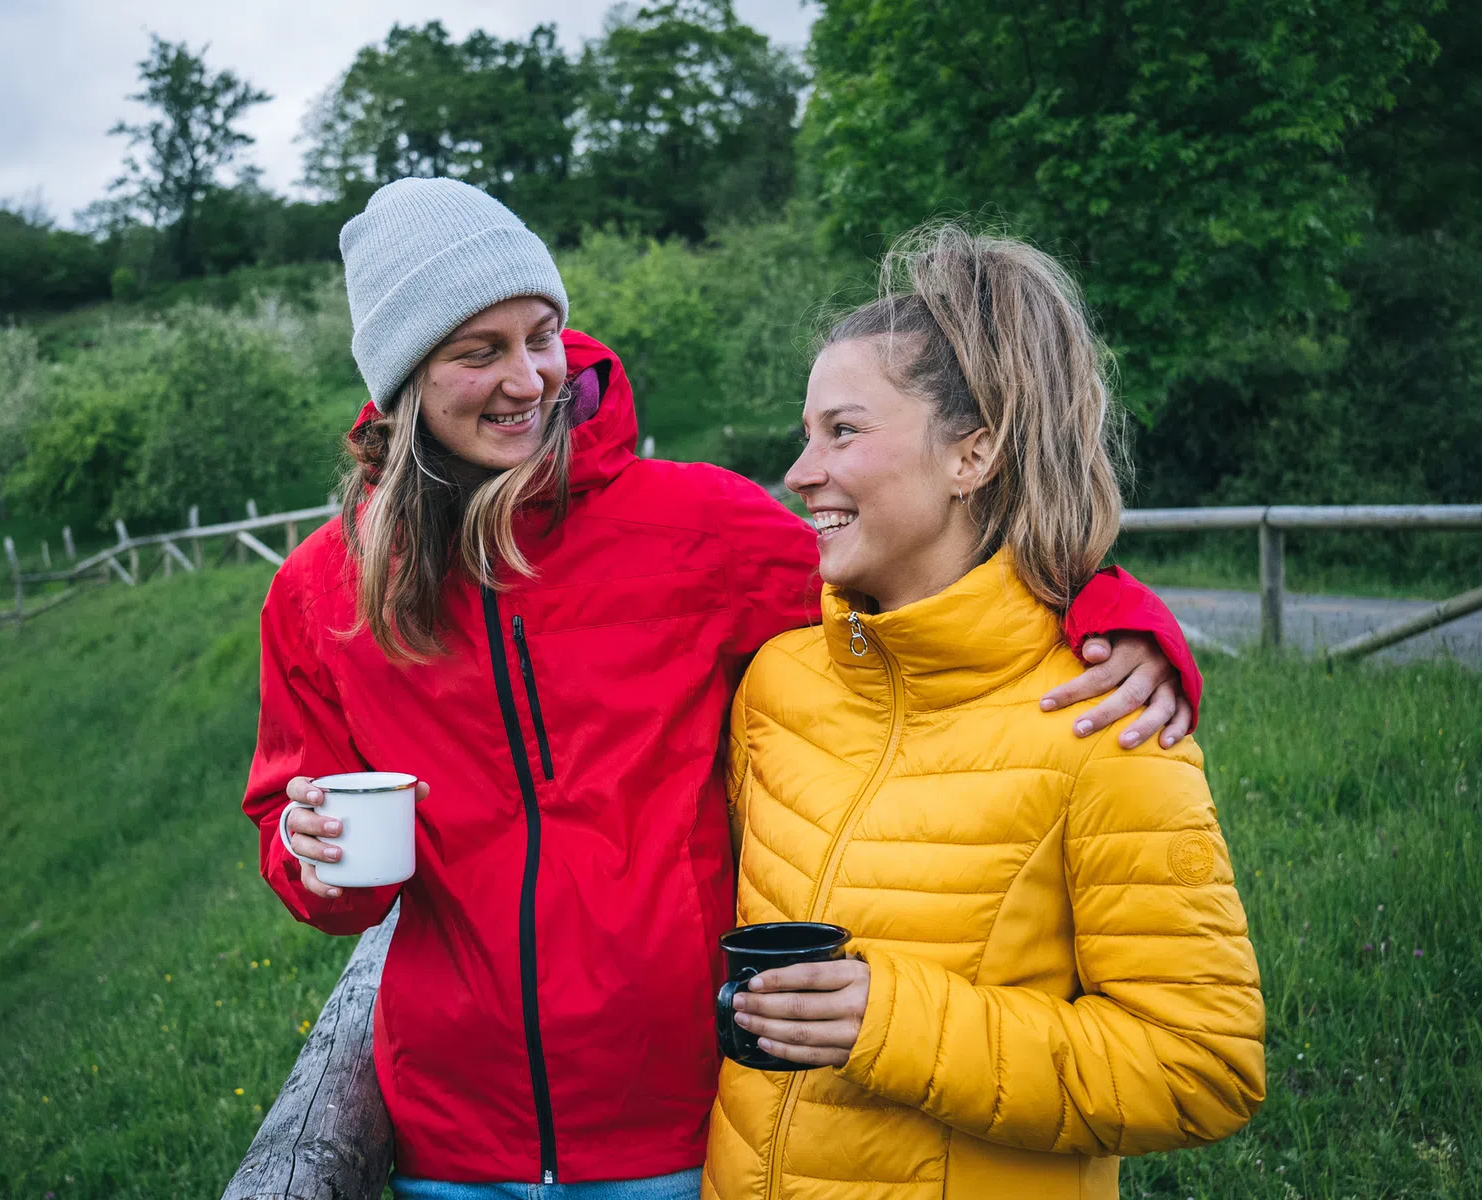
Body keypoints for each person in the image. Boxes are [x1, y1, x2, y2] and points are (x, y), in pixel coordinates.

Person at [242, 180, 1202, 1200]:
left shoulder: (695, 529)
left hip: (682, 1125)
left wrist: (1113, 609)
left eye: (541, 336)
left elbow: (926, 581)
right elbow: (301, 843)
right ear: (402, 379)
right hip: (453, 1139)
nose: (527, 379)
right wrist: (317, 862)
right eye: (478, 352)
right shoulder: (320, 596)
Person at [708, 225, 1265, 1200]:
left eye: (843, 431)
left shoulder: (1106, 723)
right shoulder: (779, 684)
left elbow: (1202, 1068)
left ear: (973, 453)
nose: (800, 472)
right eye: (806, 435)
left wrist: (892, 1023)